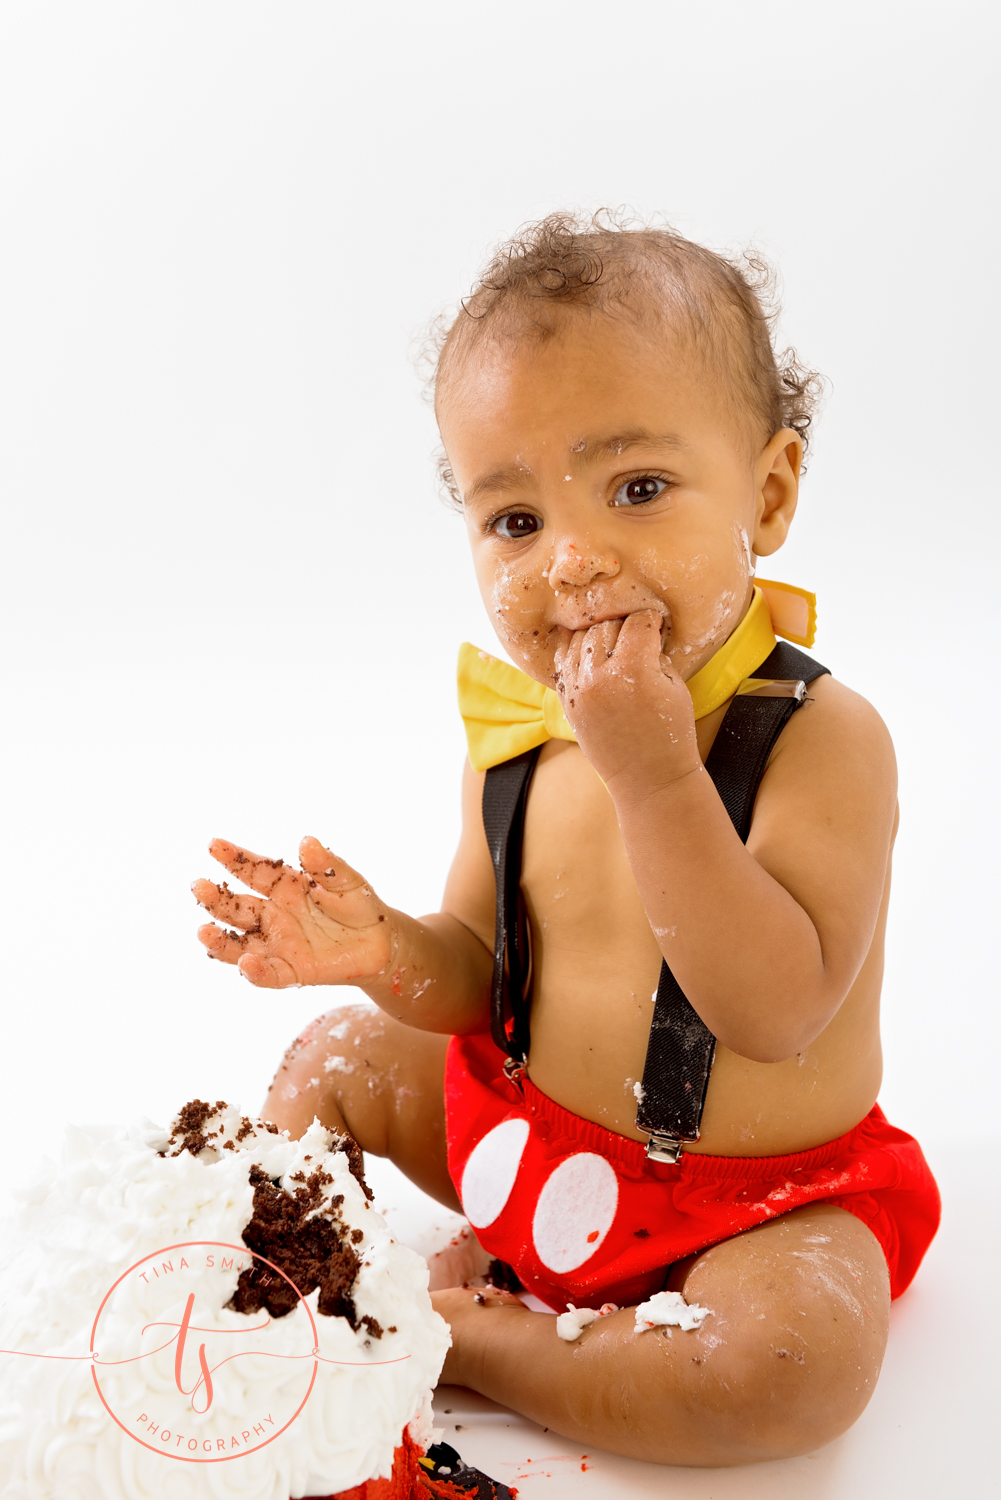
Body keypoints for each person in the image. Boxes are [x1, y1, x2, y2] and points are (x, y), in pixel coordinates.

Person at [193, 213, 939, 1467]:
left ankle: (466, 1338)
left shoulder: (822, 741)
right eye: (514, 521)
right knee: (330, 1056)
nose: (571, 562)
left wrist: (652, 775)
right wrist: (380, 950)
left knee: (794, 1369)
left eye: (637, 490)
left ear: (766, 492)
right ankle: (260, 1281)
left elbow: (772, 1010)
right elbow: (483, 977)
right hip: (520, 1132)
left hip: (743, 1206)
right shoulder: (519, 732)